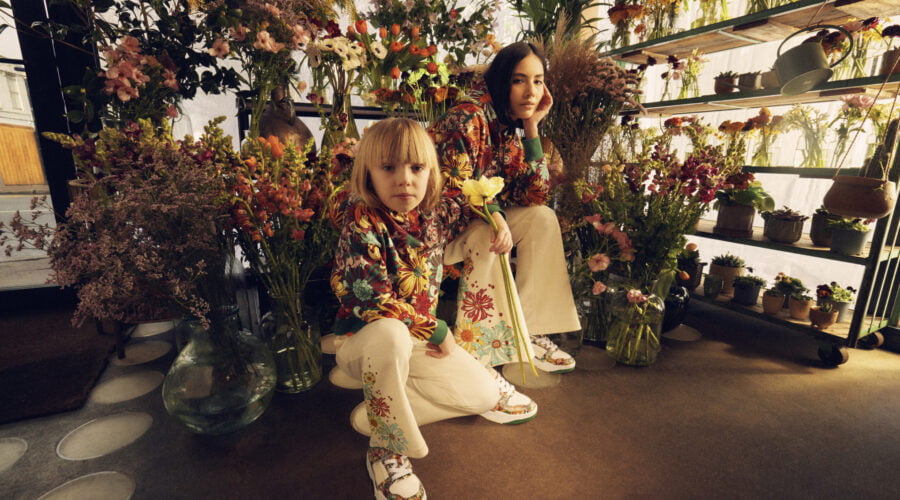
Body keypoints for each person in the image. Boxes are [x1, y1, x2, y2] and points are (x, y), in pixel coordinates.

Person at [331, 118, 537, 500]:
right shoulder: (362, 219)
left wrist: (497, 218)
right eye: (388, 167)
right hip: (366, 341)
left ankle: (379, 410)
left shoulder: (434, 213)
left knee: (482, 396)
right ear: (368, 174)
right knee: (391, 332)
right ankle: (386, 448)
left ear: (430, 172)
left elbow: (477, 196)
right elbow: (367, 298)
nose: (405, 180)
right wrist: (438, 330)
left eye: (417, 167)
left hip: (416, 339)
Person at [429, 42, 580, 374]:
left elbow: (536, 195)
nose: (531, 92)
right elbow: (456, 186)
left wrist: (532, 127)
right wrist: (497, 216)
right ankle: (479, 353)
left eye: (538, 81)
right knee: (491, 233)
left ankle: (530, 330)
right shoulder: (467, 116)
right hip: (436, 232)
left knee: (542, 218)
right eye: (518, 80)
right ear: (501, 80)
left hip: (471, 221)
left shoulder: (508, 126)